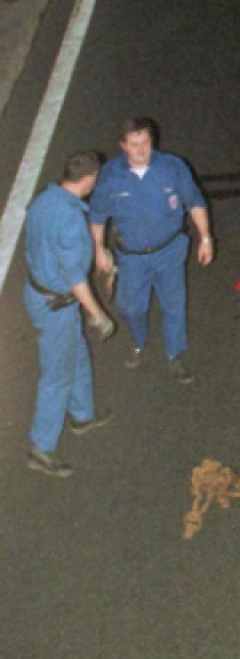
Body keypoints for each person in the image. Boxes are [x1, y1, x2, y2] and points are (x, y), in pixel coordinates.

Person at [89, 117, 213, 385]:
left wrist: (205, 238)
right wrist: (98, 250)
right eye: (134, 145)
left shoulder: (172, 167)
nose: (142, 150)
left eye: (146, 142)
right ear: (123, 145)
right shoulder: (110, 176)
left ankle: (174, 353)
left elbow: (194, 201)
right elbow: (97, 216)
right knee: (130, 307)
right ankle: (138, 342)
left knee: (173, 304)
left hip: (169, 251)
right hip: (131, 256)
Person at [23, 150, 116, 478]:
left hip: (37, 290)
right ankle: (41, 447)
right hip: (57, 305)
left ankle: (82, 414)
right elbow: (76, 279)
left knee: (75, 353)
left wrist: (96, 249)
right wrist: (98, 315)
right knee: (56, 375)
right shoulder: (72, 220)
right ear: (89, 181)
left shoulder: (43, 201)